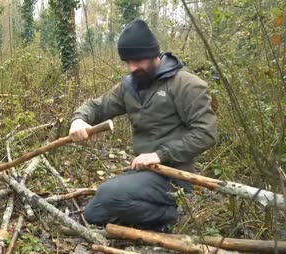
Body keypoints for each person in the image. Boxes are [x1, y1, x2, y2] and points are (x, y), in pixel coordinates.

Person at [69, 19, 217, 231]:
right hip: (143, 173)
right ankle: (152, 212)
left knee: (110, 195)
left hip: (173, 175)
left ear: (154, 54)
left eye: (138, 60)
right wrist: (78, 120)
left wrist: (160, 155)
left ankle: (173, 214)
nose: (132, 68)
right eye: (128, 61)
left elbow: (206, 133)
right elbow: (96, 106)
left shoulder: (186, 84)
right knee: (94, 213)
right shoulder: (130, 86)